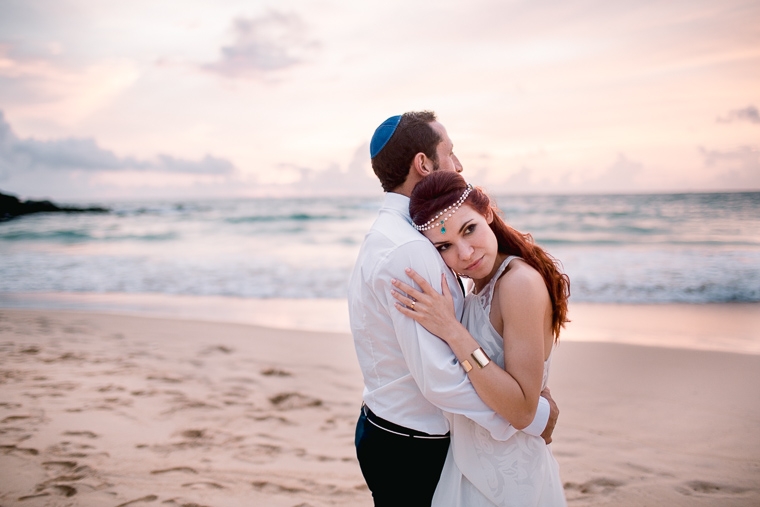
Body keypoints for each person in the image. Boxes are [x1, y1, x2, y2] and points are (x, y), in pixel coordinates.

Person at [349, 111, 559, 506]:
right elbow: (440, 379)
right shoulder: (410, 248)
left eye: (468, 231)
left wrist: (525, 395)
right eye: (451, 152)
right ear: (423, 164)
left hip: (396, 428)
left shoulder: (408, 234)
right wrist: (531, 417)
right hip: (413, 443)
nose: (459, 165)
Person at [389, 171, 570, 505]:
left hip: (510, 480)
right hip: (468, 466)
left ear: (487, 213)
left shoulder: (518, 284)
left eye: (468, 229)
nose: (465, 253)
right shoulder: (479, 286)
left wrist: (453, 331)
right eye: (445, 246)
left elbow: (522, 411)